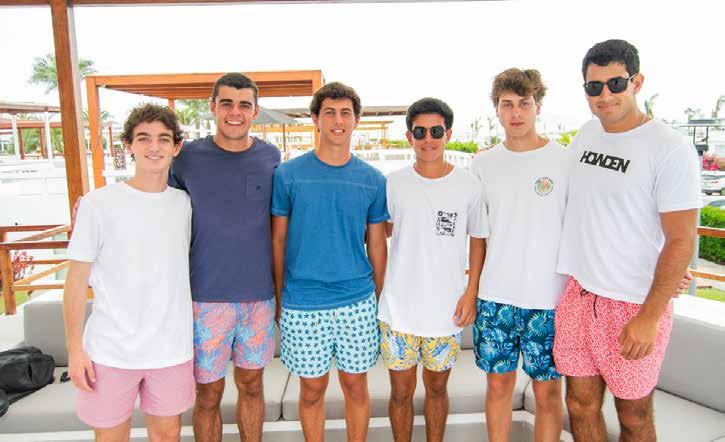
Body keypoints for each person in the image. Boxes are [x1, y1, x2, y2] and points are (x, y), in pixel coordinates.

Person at [555, 39, 701, 442]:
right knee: (579, 405)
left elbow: (681, 238)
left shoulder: (669, 148)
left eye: (616, 83)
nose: (605, 95)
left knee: (634, 417)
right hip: (580, 295)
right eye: (594, 87)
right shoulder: (586, 135)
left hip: (633, 304)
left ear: (637, 82)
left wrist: (650, 316)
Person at [64, 103, 194, 442]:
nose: (154, 147)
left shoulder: (185, 204)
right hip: (110, 349)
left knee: (168, 436)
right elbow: (75, 282)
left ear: (176, 147)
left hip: (171, 348)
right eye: (144, 138)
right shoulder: (97, 204)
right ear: (129, 145)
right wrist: (74, 351)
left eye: (163, 139)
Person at [271, 82, 388, 442]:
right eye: (330, 113)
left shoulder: (372, 179)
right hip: (303, 301)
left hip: (357, 300)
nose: (338, 121)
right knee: (311, 390)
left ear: (356, 120)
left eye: (345, 113)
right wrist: (279, 297)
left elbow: (377, 244)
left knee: (356, 387)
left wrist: (378, 298)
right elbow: (278, 239)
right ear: (315, 119)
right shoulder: (288, 174)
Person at [169, 73, 281, 442]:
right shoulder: (186, 158)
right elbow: (154, 201)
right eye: (227, 103)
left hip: (258, 298)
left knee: (252, 386)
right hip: (204, 299)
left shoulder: (270, 157)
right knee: (207, 395)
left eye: (244, 105)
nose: (235, 112)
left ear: (255, 111)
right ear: (213, 106)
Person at [378, 97, 488, 442]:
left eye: (436, 131)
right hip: (398, 311)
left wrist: (471, 293)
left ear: (448, 134)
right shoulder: (393, 183)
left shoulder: (469, 184)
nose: (428, 139)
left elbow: (478, 239)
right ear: (409, 136)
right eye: (420, 132)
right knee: (400, 393)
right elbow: (381, 232)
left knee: (437, 390)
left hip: (446, 311)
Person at [470, 68, 567, 442]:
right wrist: (472, 290)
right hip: (496, 296)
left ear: (537, 106)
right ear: (496, 109)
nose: (515, 112)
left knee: (547, 394)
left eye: (524, 103)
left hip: (550, 299)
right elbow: (478, 235)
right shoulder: (483, 163)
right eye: (507, 104)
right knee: (498, 387)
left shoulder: (564, 160)